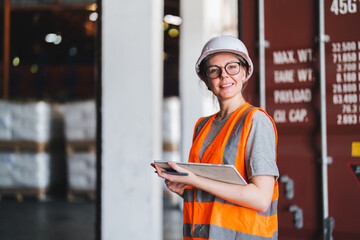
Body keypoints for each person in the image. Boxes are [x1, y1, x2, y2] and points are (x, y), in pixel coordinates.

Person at [153, 34, 279, 240]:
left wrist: (196, 180)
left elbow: (261, 199)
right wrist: (185, 189)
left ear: (245, 72)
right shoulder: (203, 126)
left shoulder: (256, 121)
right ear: (206, 80)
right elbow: (215, 195)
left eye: (232, 67)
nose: (224, 76)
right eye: (214, 70)